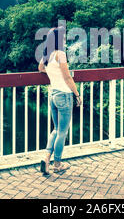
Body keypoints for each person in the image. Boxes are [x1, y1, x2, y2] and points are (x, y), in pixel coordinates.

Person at [38, 26, 82, 174]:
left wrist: (52, 73)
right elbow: (67, 77)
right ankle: (57, 164)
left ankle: (46, 159)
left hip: (53, 95)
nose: (64, 39)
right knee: (62, 131)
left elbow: (40, 69)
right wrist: (77, 94)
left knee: (56, 130)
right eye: (63, 37)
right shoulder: (60, 54)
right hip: (64, 95)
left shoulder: (48, 55)